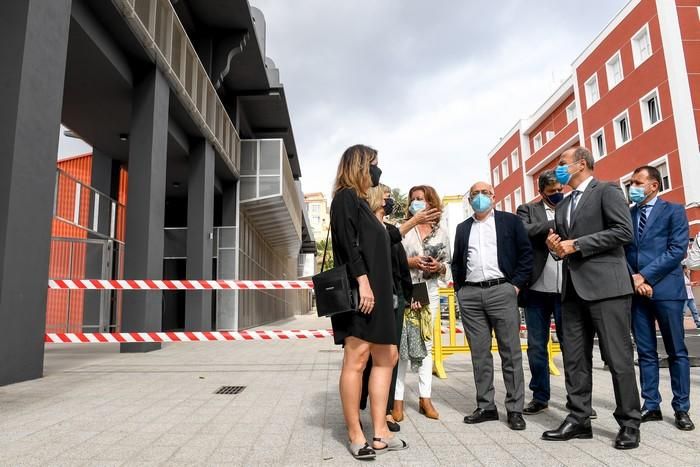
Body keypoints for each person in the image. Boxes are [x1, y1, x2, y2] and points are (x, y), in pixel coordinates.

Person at [543, 147, 641, 449]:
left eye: (562, 164)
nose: (558, 170)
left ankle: (629, 422)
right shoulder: (563, 205)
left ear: (581, 164)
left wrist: (578, 244)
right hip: (572, 290)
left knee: (617, 358)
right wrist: (554, 246)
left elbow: (624, 232)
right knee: (574, 358)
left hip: (607, 289)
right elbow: (564, 249)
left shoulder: (607, 191)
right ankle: (579, 418)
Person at [329, 144, 407, 460]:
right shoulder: (345, 197)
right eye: (374, 164)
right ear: (361, 165)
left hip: (379, 295)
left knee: (387, 355)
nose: (378, 170)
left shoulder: (362, 203)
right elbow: (347, 244)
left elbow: (382, 244)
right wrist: (362, 282)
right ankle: (355, 433)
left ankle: (380, 432)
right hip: (362, 292)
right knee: (357, 358)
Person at [451, 181, 533, 431]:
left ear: (494, 196)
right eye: (474, 193)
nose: (479, 197)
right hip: (471, 294)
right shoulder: (463, 228)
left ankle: (515, 409)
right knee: (479, 354)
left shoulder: (510, 221)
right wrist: (460, 290)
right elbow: (457, 261)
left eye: (484, 193)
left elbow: (526, 254)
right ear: (469, 200)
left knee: (510, 352)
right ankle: (486, 406)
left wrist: (515, 286)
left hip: (502, 290)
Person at [624, 166, 694, 431]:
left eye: (637, 182)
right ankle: (651, 404)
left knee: (676, 350)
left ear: (654, 185)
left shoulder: (674, 211)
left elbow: (676, 250)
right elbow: (622, 250)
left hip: (666, 291)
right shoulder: (628, 214)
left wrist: (646, 277)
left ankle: (682, 408)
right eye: (631, 182)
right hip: (637, 293)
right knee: (645, 352)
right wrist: (635, 279)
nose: (633, 187)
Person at [393, 185, 450, 421]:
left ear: (431, 203)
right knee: (403, 346)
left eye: (422, 199)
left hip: (430, 292)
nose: (417, 202)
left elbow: (449, 264)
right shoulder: (403, 229)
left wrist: (439, 267)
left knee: (426, 344)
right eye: (413, 199)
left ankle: (425, 398)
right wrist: (412, 262)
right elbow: (391, 259)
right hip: (406, 291)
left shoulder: (442, 231)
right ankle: (397, 400)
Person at [359, 184, 413, 432]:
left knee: (389, 357)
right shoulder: (366, 228)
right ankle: (358, 407)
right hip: (369, 300)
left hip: (395, 300)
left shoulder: (391, 230)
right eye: (388, 197)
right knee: (364, 357)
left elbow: (401, 267)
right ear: (377, 200)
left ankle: (387, 411)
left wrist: (408, 296)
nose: (391, 201)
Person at [516, 170, 564, 415]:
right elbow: (523, 230)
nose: (557, 195)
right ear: (541, 192)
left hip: (568, 289)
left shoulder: (573, 205)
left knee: (573, 345)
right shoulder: (527, 209)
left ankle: (578, 397)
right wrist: (555, 223)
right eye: (551, 192)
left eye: (559, 190)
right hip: (536, 289)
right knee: (536, 346)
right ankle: (540, 396)